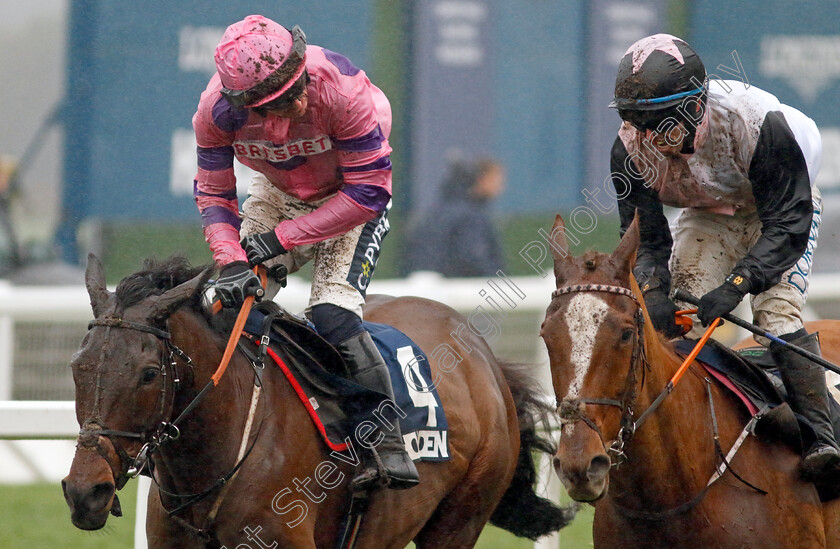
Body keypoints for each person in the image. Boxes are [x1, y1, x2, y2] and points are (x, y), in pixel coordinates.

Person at [192, 15, 418, 490]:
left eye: (299, 86)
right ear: (244, 103)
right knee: (225, 308)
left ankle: (386, 440)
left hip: (348, 202)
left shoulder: (344, 89)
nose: (298, 101)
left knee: (333, 316)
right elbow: (214, 196)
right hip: (277, 193)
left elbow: (368, 195)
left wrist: (281, 239)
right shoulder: (215, 112)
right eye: (278, 101)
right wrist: (232, 260)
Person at [608, 34, 838, 478]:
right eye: (637, 123)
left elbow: (788, 226)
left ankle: (823, 439)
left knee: (775, 316)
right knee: (678, 316)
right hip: (709, 212)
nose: (649, 140)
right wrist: (655, 292)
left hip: (781, 208)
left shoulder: (756, 123)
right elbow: (647, 241)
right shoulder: (629, 148)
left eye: (660, 125)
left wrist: (737, 285)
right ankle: (686, 435)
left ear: (695, 106)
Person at [401, 155, 506, 277]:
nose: (500, 186)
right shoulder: (470, 216)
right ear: (481, 179)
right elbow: (473, 258)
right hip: (451, 291)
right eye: (496, 180)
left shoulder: (436, 211)